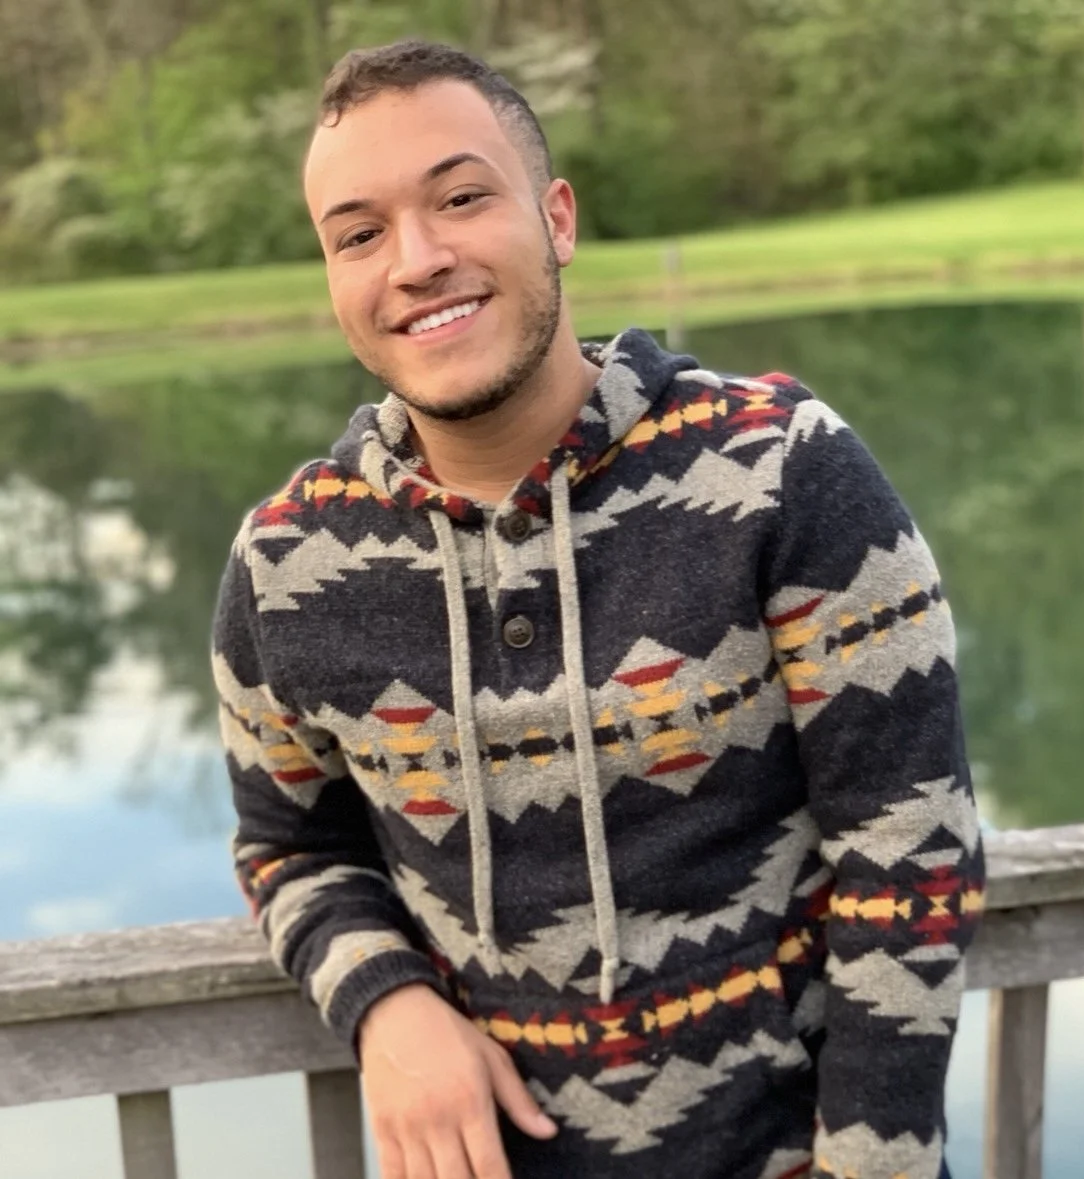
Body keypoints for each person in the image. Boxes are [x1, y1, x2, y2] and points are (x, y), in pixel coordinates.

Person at [211, 37, 985, 1179]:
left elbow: (907, 843)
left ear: (557, 220)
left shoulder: (779, 468)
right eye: (358, 234)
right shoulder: (285, 564)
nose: (417, 260)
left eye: (461, 198)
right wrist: (386, 1001)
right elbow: (288, 849)